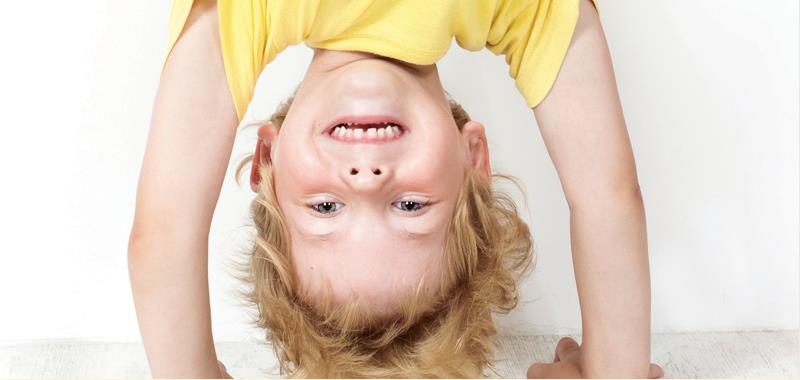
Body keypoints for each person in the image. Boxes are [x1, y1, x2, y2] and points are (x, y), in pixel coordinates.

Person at [127, 0, 663, 378]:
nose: (367, 180)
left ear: (268, 161)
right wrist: (613, 369)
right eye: (409, 207)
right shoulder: (521, 7)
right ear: (474, 160)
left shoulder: (245, 10)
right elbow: (607, 196)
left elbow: (165, 232)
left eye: (326, 208)